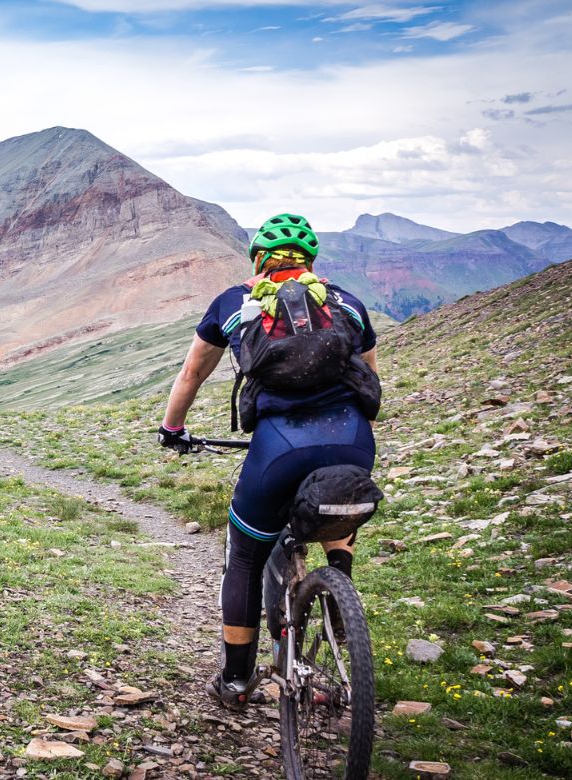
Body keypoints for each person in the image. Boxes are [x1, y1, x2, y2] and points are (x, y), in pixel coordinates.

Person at [155, 213, 380, 710]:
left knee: (246, 555)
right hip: (351, 438)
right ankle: (338, 584)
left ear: (258, 258)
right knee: (336, 496)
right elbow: (369, 383)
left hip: (279, 446)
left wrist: (173, 431)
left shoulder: (233, 303)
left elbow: (192, 373)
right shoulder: (348, 303)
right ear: (311, 261)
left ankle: (236, 680)